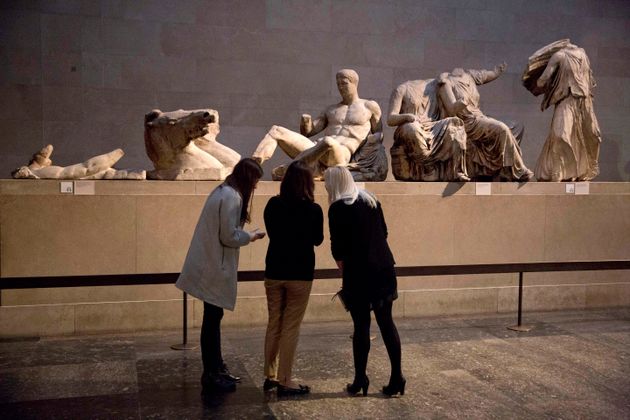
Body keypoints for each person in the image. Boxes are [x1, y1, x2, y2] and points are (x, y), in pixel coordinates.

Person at [175, 158, 266, 393]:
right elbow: (229, 236)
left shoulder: (223, 191)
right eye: (255, 181)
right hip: (215, 266)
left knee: (212, 319)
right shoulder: (232, 197)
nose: (255, 187)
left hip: (211, 263)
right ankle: (212, 372)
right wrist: (251, 236)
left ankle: (216, 367)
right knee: (212, 321)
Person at [324, 166, 405, 397]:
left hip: (359, 273)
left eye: (328, 183)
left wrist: (345, 270)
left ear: (335, 184)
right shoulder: (371, 200)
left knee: (361, 327)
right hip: (384, 269)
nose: (326, 187)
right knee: (387, 323)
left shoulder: (337, 208)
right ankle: (397, 377)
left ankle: (360, 379)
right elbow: (385, 233)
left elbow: (337, 247)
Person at [262, 161, 324, 396]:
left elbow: (271, 232)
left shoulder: (273, 204)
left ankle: (270, 375)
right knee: (290, 326)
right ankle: (286, 379)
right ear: (307, 183)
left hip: (274, 270)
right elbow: (317, 240)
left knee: (273, 323)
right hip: (300, 272)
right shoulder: (313, 209)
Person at [252, 69, 383, 178]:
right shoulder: (331, 109)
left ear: (355, 83)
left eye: (344, 83)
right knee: (276, 130)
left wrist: (368, 157)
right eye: (338, 84)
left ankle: (291, 169)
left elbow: (378, 134)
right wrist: (306, 122)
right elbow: (308, 133)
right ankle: (253, 167)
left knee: (328, 142)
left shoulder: (369, 106)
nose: (341, 87)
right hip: (315, 149)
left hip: (340, 155)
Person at [438, 64, 534, 181]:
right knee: (502, 129)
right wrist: (462, 102)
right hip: (468, 123)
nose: (459, 68)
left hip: (480, 118)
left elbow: (488, 75)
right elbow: (451, 108)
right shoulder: (446, 82)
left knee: (516, 126)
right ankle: (518, 169)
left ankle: (504, 169)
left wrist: (497, 71)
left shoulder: (470, 76)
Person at [532, 42, 602, 181]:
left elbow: (542, 81)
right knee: (560, 134)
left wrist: (538, 83)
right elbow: (543, 80)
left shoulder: (582, 55)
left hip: (584, 101)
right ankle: (557, 171)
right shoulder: (559, 56)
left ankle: (583, 170)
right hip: (566, 100)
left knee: (592, 134)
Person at [387, 77, 470, 181]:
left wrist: (463, 101)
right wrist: (406, 117)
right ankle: (427, 165)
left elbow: (452, 109)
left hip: (434, 126)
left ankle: (456, 171)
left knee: (455, 124)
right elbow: (390, 119)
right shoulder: (402, 89)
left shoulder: (439, 86)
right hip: (410, 125)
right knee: (412, 128)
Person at [12, 144, 145, 179]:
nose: (49, 162)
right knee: (86, 168)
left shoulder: (39, 171)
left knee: (99, 171)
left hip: (34, 169)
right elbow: (87, 168)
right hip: (36, 171)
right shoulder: (40, 172)